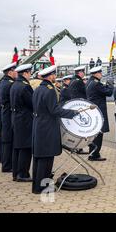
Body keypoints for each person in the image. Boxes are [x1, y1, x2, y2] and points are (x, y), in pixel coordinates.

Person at [31, 65, 79, 194]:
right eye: (54, 75)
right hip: (47, 127)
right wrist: (72, 113)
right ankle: (43, 188)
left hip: (38, 125)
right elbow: (54, 110)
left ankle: (36, 187)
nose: (55, 77)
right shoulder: (50, 90)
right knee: (46, 159)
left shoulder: (38, 89)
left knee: (39, 158)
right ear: (50, 76)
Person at [10, 64, 34, 182]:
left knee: (17, 148)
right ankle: (23, 174)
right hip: (25, 120)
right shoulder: (25, 87)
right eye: (30, 73)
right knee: (25, 148)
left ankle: (16, 173)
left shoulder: (15, 84)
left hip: (16, 119)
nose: (30, 75)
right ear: (25, 73)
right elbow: (32, 103)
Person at [86, 66, 114, 161]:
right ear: (96, 74)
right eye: (100, 73)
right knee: (98, 134)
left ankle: (92, 152)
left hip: (93, 111)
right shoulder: (96, 84)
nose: (101, 75)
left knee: (94, 134)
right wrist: (110, 84)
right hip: (98, 112)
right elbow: (109, 92)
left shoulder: (90, 82)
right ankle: (95, 154)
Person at [0, 62, 17, 173]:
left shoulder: (3, 82)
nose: (16, 73)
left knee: (6, 139)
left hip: (5, 113)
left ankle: (6, 164)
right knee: (8, 140)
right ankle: (7, 166)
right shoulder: (9, 83)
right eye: (15, 71)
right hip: (8, 114)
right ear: (10, 72)